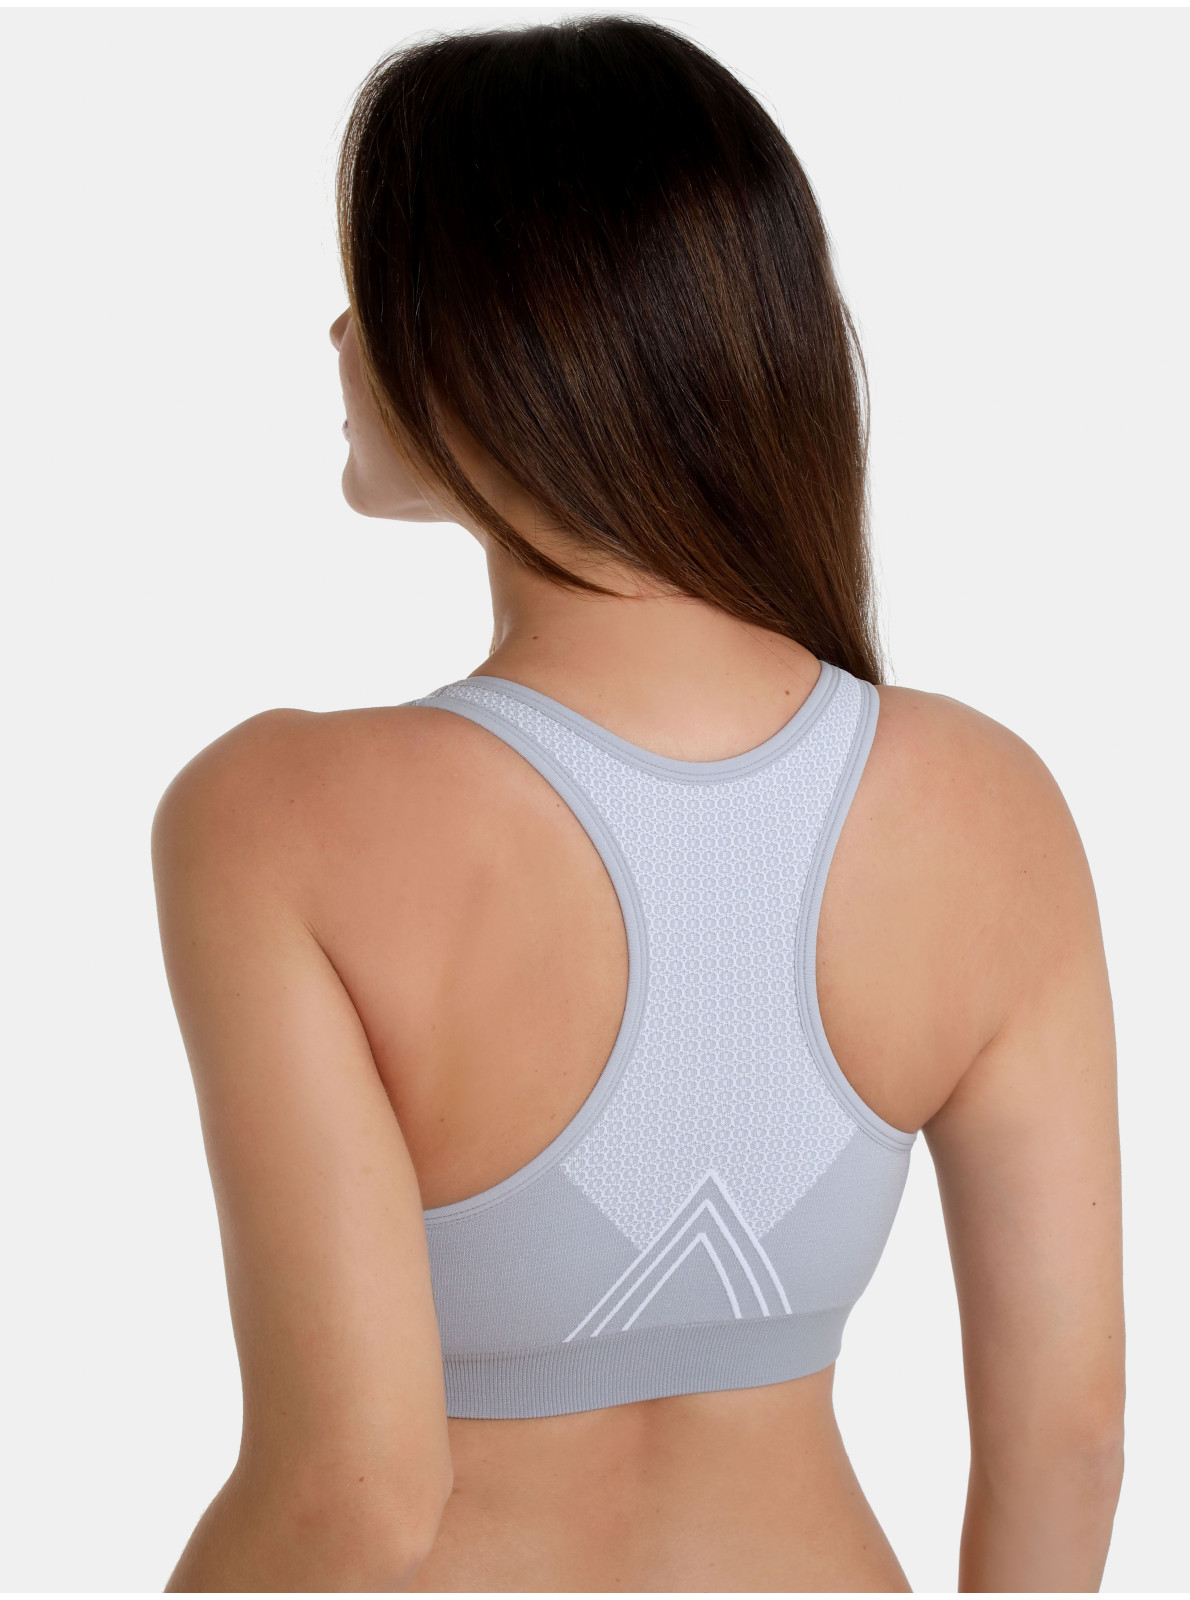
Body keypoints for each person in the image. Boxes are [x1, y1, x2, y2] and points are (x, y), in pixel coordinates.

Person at [152, 16, 1124, 1592]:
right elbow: (1068, 1440)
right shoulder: (983, 805)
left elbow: (353, 1494)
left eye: (378, 283)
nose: (340, 331)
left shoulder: (275, 814)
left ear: (508, 327)